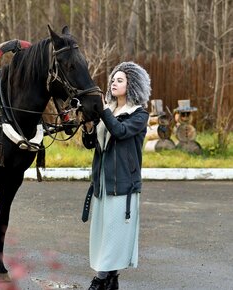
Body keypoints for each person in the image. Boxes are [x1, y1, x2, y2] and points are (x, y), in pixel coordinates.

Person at [81, 62, 151, 290]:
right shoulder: (108, 111)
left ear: (132, 86)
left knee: (114, 234)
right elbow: (91, 144)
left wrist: (103, 111)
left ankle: (100, 279)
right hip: (102, 183)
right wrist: (89, 125)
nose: (113, 83)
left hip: (123, 185)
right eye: (113, 79)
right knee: (104, 233)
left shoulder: (139, 115)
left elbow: (120, 132)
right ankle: (111, 280)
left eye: (120, 80)